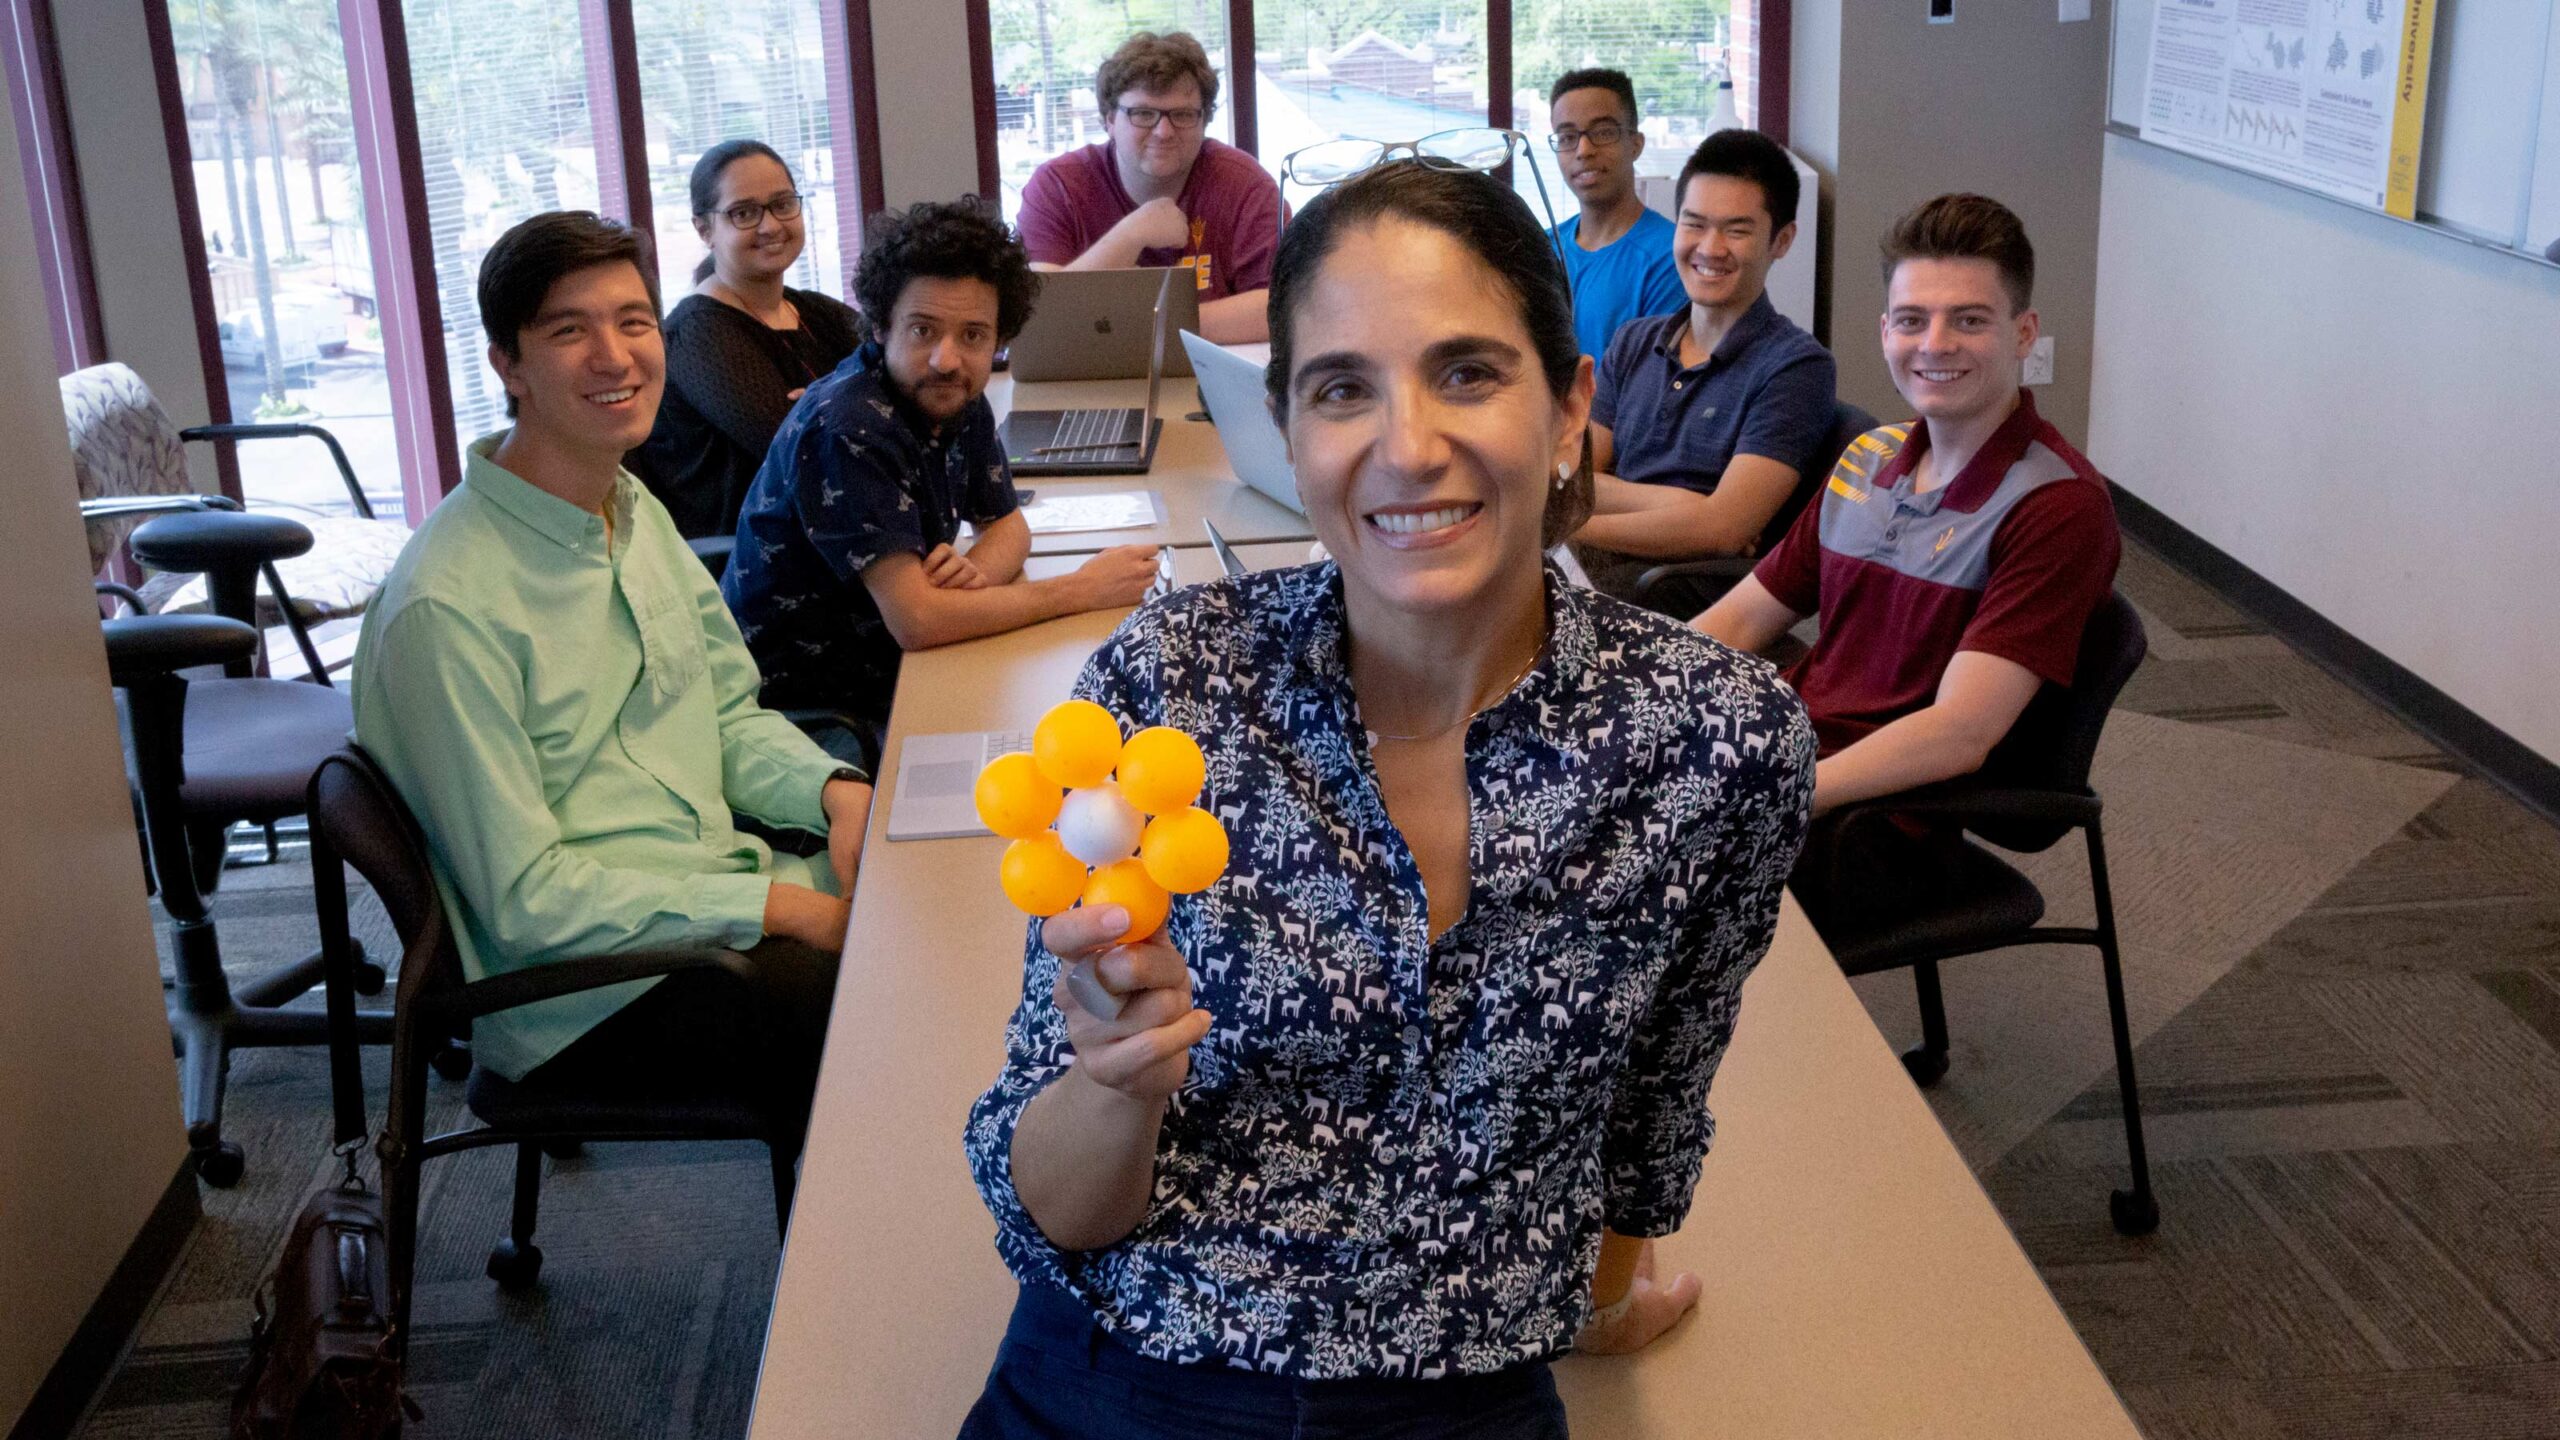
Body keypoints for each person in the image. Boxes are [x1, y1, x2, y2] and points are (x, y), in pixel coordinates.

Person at [960, 161, 1814, 1438]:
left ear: (1570, 403)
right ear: (1287, 434)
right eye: (1342, 389)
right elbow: (1054, 1208)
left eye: (1467, 372)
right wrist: (1113, 1082)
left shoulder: (1717, 744)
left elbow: (1653, 1108)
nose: (1408, 448)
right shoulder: (1173, 687)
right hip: (1127, 1367)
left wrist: (1597, 1304)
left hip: (1459, 1393)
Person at [350, 211, 869, 1149]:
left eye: (633, 322)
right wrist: (779, 907)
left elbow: (720, 714)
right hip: (589, 992)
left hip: (712, 898)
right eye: (568, 330)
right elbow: (530, 900)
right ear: (510, 364)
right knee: (898, 1009)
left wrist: (834, 792)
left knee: (965, 898)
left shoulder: (628, 508)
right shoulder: (447, 608)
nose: (615, 355)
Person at [1692, 193, 2120, 928]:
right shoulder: (1869, 458)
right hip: (1799, 752)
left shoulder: (2057, 506)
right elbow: (1742, 615)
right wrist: (1629, 695)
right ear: (1885, 330)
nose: (1936, 344)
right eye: (1913, 320)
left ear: (2024, 333)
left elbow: (1959, 732)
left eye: (1970, 320)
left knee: (1618, 882)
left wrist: (1781, 795)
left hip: (1888, 819)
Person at [722, 200, 1157, 773]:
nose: (947, 359)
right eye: (923, 330)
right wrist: (1081, 589)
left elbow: (1008, 527)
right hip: (807, 710)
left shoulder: (953, 396)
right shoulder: (848, 426)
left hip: (899, 663)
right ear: (881, 326)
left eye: (974, 335)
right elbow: (919, 623)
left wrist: (971, 576)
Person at [1572, 129, 1836, 618]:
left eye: (1736, 230)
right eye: (1694, 224)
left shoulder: (1797, 366)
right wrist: (1687, 505)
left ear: (1781, 241)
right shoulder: (1634, 341)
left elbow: (1724, 531)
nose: (1709, 249)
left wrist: (1565, 526)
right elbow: (1575, 479)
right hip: (1599, 569)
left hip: (1676, 598)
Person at [628, 140, 864, 539]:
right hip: (754, 566)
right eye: (744, 213)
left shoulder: (818, 313)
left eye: (783, 204)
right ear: (705, 230)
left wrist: (823, 405)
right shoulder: (698, 335)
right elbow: (802, 451)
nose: (770, 225)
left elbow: (908, 382)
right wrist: (855, 399)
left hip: (839, 534)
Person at [1013, 31, 1284, 345]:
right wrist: (1130, 234)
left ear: (1205, 120)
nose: (1164, 132)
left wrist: (1136, 327)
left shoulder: (1247, 186)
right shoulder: (1056, 187)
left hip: (1208, 377)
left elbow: (1281, 308)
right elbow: (1041, 317)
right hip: (1085, 384)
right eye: (1143, 114)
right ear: (1109, 119)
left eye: (1182, 115)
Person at [1544, 68, 1685, 364]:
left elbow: (1649, 389)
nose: (1584, 150)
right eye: (1567, 137)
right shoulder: (1542, 248)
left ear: (1635, 144)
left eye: (1603, 133)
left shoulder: (1670, 256)